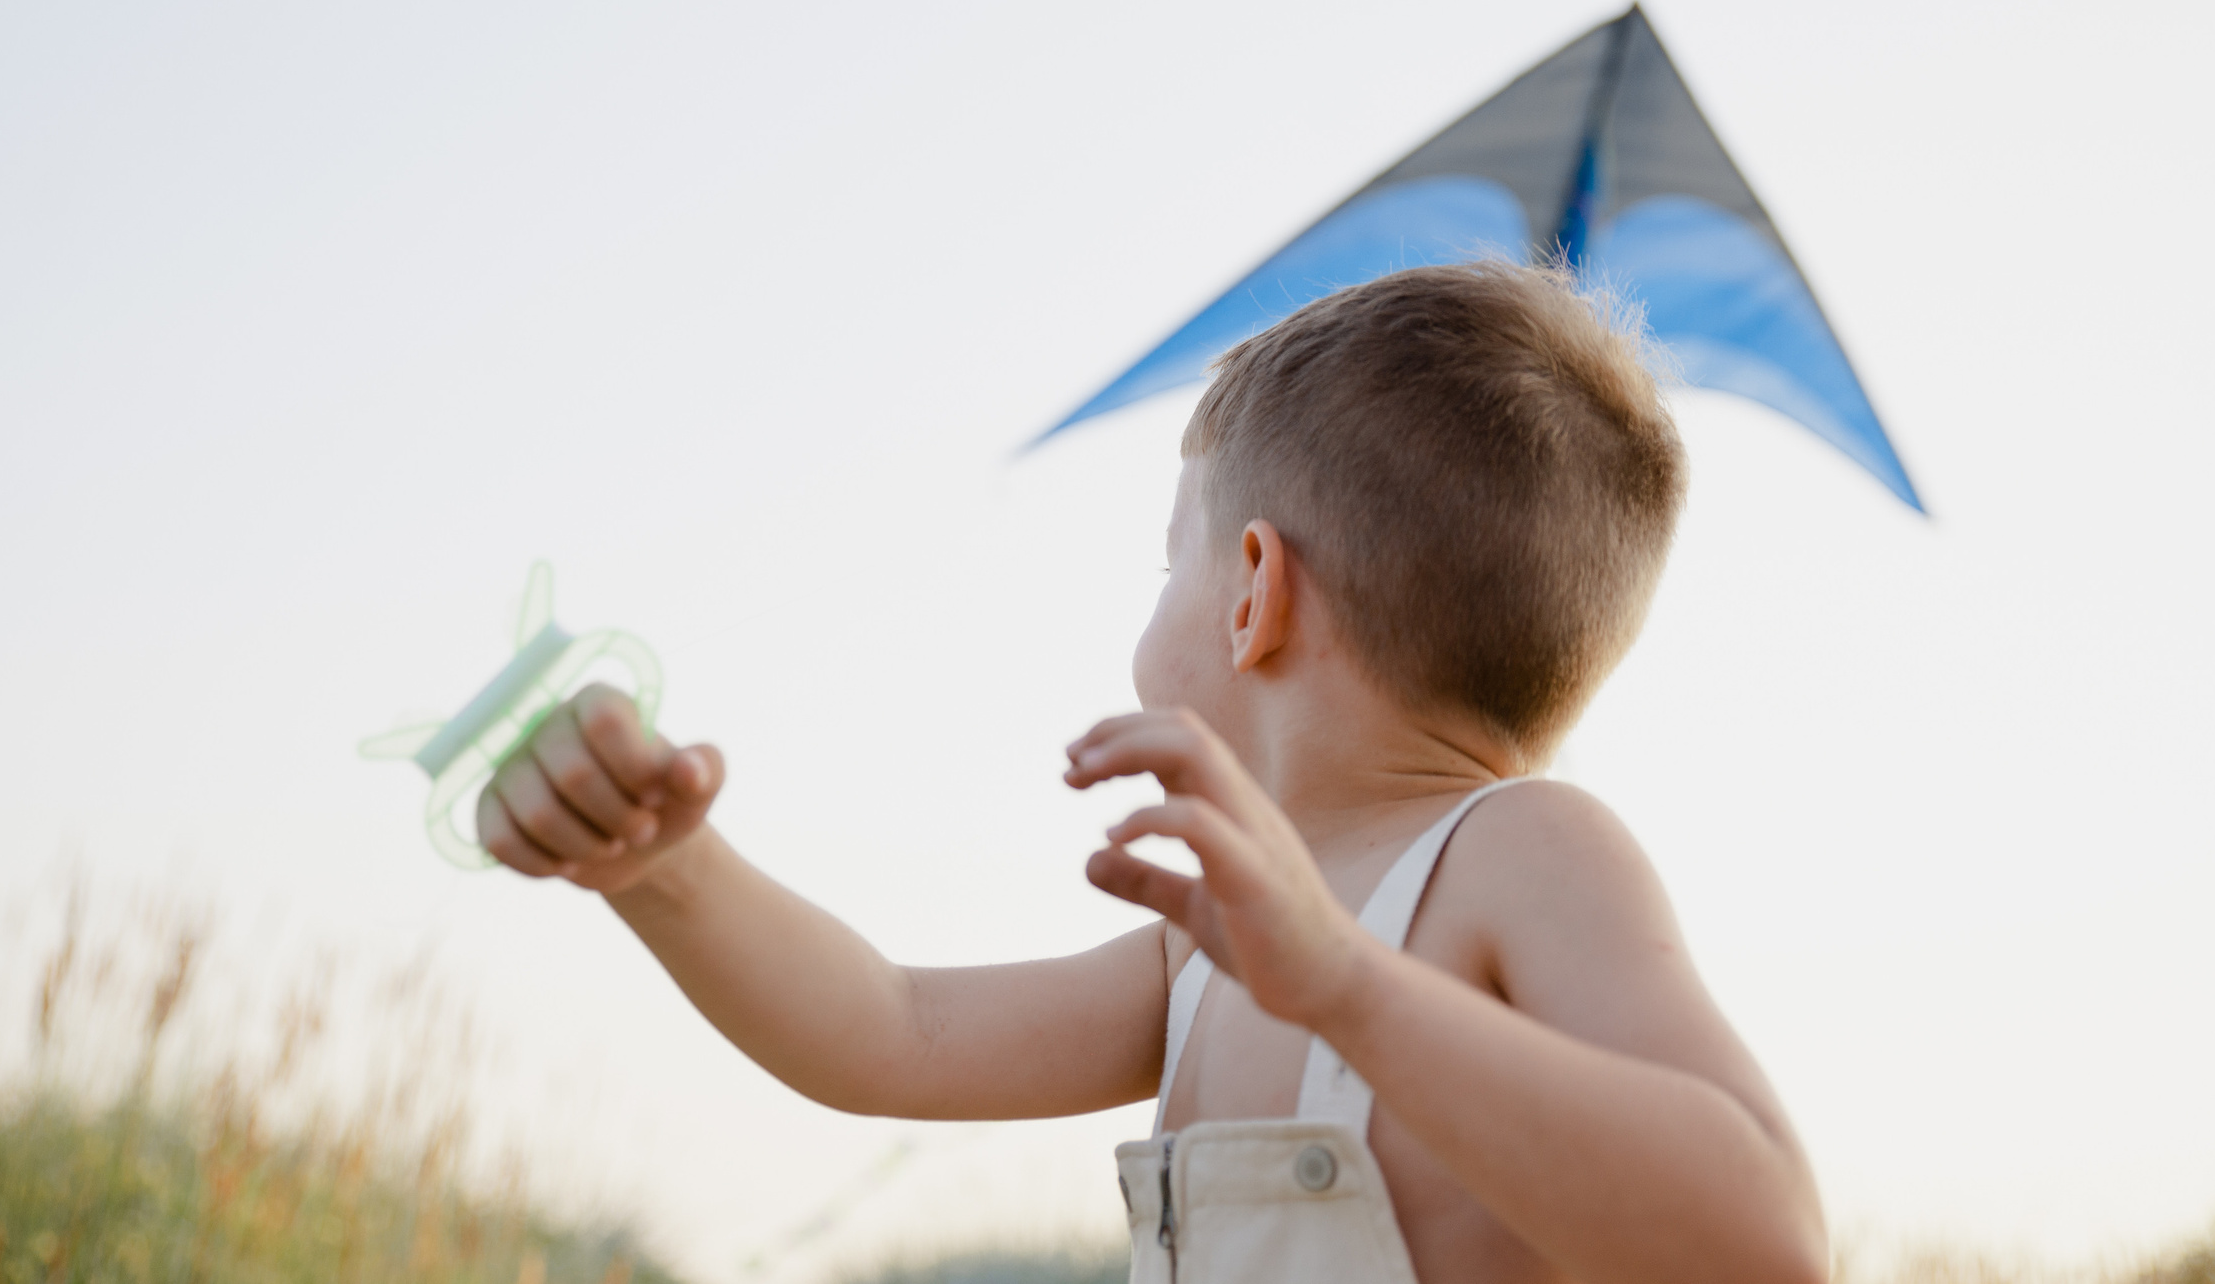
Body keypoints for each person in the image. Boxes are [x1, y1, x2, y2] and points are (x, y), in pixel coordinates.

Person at [477, 260, 1828, 1284]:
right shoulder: (1207, 948)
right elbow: (893, 1032)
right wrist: (666, 869)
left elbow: (1765, 1241)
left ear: (1252, 590)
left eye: (1167, 558)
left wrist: (1346, 985)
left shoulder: (1523, 851)